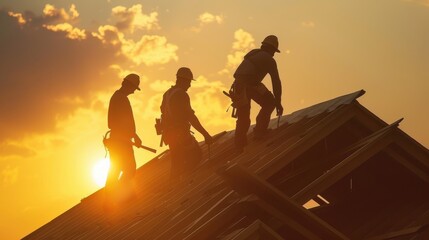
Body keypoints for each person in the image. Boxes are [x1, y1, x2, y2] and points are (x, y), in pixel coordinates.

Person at [231, 35, 284, 151]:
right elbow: (276, 82)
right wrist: (278, 102)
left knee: (243, 118)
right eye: (274, 51)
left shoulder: (254, 53)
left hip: (238, 86)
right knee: (270, 102)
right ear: (271, 49)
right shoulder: (269, 60)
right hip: (250, 84)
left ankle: (239, 146)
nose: (274, 54)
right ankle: (260, 132)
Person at [160, 67, 213, 181]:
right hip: (180, 134)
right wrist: (205, 134)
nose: (189, 85)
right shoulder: (181, 95)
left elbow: (163, 111)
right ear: (183, 80)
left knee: (176, 161)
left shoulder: (167, 94)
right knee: (195, 155)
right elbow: (191, 117)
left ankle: (174, 185)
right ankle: (184, 180)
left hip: (170, 135)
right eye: (189, 82)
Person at [105, 73, 142, 203]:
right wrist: (134, 136)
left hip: (118, 140)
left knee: (116, 170)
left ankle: (112, 197)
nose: (133, 91)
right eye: (134, 88)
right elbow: (124, 122)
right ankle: (118, 195)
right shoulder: (121, 99)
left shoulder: (117, 97)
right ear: (129, 85)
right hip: (121, 141)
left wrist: (132, 135)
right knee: (129, 168)